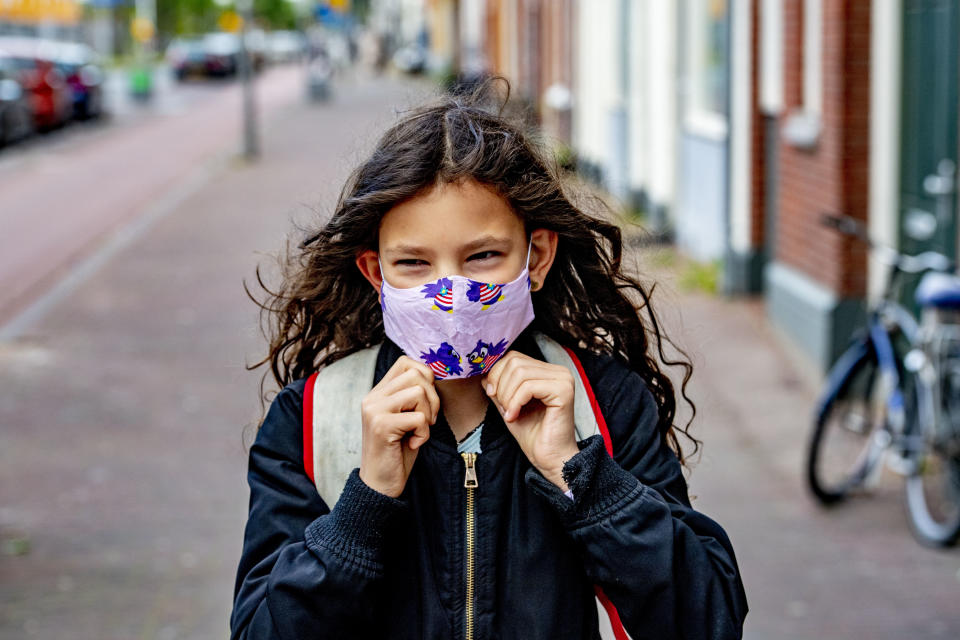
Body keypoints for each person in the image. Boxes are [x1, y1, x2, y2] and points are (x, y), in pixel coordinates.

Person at [230, 80, 748, 639]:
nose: (450, 294)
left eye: (483, 256)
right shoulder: (310, 420)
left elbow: (707, 622)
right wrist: (366, 502)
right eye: (413, 264)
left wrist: (580, 478)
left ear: (537, 257)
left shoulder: (604, 403)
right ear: (376, 274)